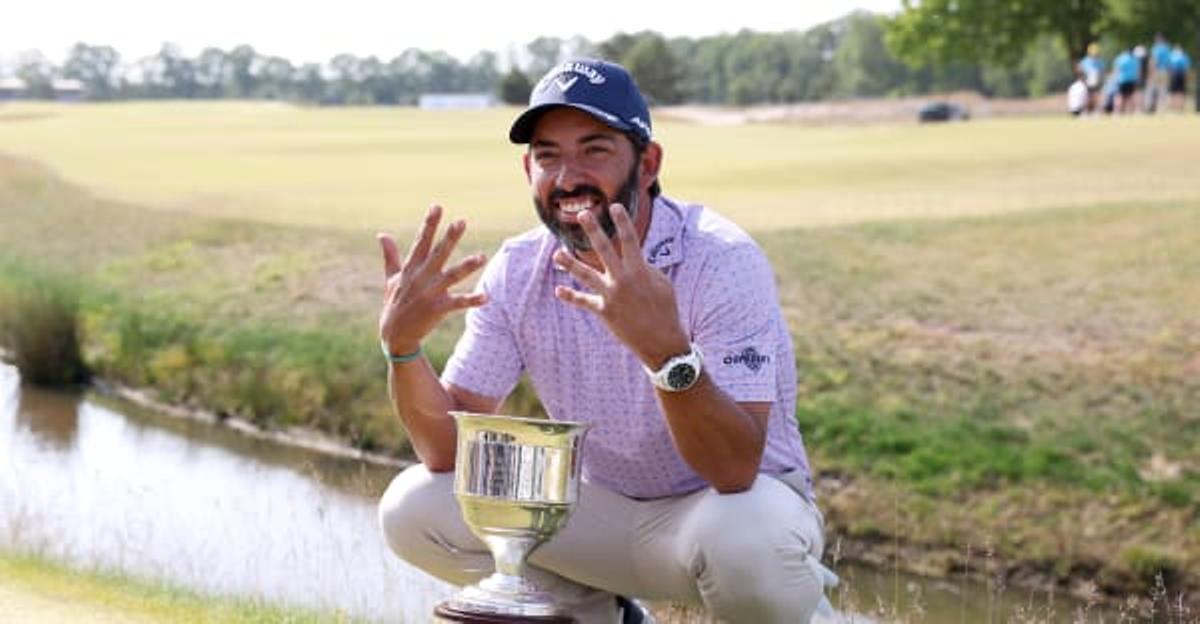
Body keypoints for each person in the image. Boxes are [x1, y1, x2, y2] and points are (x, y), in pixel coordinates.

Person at [375, 58, 830, 624]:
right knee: (414, 506)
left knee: (747, 539)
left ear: (647, 164)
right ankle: (601, 615)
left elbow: (735, 468)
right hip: (598, 514)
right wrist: (403, 349)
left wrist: (667, 356)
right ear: (527, 170)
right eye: (548, 156)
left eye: (595, 150)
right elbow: (447, 452)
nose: (568, 178)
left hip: (723, 510)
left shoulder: (721, 259)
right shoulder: (518, 267)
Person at [1146, 34, 1172, 113]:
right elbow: (1169, 62)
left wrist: (1150, 72)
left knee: (1151, 89)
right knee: (1163, 90)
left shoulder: (1156, 48)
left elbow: (1154, 61)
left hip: (1156, 71)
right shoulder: (1167, 48)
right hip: (1165, 71)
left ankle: (1149, 108)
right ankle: (1163, 109)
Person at [1078, 43, 1106, 114]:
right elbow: (1080, 71)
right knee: (1086, 97)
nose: (1095, 55)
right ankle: (1085, 111)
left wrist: (1101, 80)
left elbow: (1102, 72)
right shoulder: (1085, 61)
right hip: (1086, 82)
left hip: (1096, 82)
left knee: (1096, 97)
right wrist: (1083, 80)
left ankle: (1096, 111)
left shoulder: (1099, 61)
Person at [1112, 47, 1140, 114]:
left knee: (1121, 96)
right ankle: (1129, 111)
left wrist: (1115, 78)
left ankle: (1119, 111)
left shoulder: (1121, 58)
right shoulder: (1135, 59)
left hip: (1122, 80)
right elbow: (1137, 71)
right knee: (1129, 97)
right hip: (1130, 80)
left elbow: (1117, 69)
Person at [1168, 44, 1192, 112]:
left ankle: (1175, 107)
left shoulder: (1172, 56)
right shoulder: (1184, 56)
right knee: (1180, 92)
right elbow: (1187, 67)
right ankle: (1180, 108)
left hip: (1175, 75)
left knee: (1174, 92)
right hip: (1181, 75)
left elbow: (1170, 67)